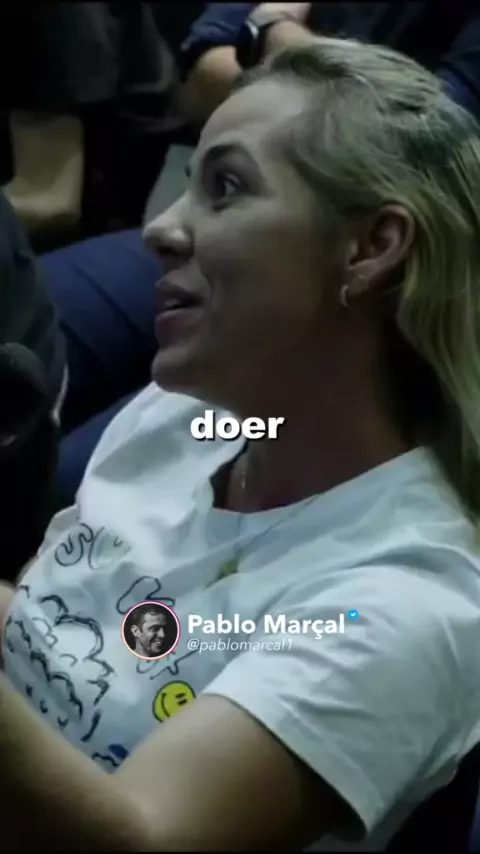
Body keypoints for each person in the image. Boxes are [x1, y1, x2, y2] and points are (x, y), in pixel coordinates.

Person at [2, 37, 480, 851]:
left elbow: (143, 839)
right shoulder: (194, 418)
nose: (160, 228)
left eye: (225, 187)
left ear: (371, 247)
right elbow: (56, 637)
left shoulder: (406, 600)